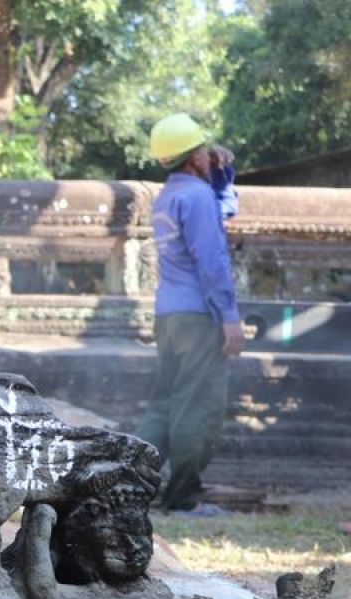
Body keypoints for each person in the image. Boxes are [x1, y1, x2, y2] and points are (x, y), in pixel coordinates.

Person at [135, 113, 245, 516]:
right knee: (198, 405)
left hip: (169, 315)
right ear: (193, 158)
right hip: (200, 316)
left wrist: (223, 172)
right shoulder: (196, 198)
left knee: (164, 404)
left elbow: (221, 213)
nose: (208, 152)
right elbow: (213, 260)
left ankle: (124, 483)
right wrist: (230, 318)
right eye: (202, 148)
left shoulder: (169, 196)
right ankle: (183, 499)